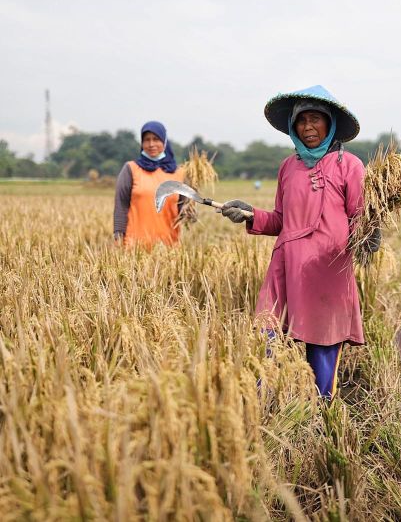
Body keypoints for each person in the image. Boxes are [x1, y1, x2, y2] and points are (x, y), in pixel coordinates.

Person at [221, 85, 378, 398]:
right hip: (285, 265)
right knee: (266, 337)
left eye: (315, 119)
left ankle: (323, 416)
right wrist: (251, 214)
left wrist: (372, 232)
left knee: (322, 346)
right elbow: (281, 219)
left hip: (328, 269)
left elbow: (361, 218)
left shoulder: (350, 166)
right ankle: (260, 407)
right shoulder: (288, 167)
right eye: (301, 120)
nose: (308, 126)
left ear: (330, 123)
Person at [114, 121, 185, 248]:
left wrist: (191, 210)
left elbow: (185, 211)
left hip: (169, 246)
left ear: (164, 141)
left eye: (156, 139)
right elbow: (121, 206)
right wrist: (118, 237)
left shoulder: (179, 173)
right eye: (146, 140)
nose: (151, 144)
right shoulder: (131, 169)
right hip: (134, 246)